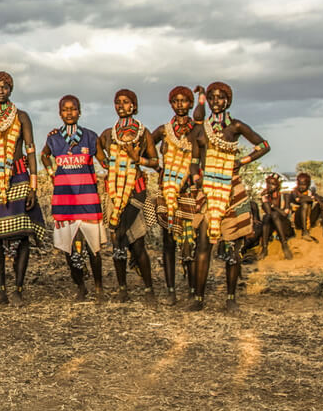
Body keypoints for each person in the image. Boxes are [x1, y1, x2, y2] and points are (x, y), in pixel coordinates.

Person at [189, 82, 270, 310]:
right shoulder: (200, 130)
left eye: (220, 98)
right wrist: (197, 180)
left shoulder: (235, 126)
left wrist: (240, 161)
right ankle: (199, 299)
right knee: (203, 246)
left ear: (228, 101)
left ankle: (231, 299)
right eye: (212, 97)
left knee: (234, 246)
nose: (216, 101)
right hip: (208, 190)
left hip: (232, 189)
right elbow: (194, 163)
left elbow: (263, 145)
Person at [0, 71, 46, 306]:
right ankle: (1, 290)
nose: (0, 91)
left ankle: (18, 288)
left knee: (22, 233)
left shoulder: (21, 117)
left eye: (4, 87)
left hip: (18, 176)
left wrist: (33, 186)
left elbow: (30, 149)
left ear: (10, 89)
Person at [95, 89, 158, 303]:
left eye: (126, 102)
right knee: (119, 239)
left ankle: (149, 290)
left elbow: (155, 162)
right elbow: (99, 151)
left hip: (135, 191)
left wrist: (136, 159)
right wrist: (107, 165)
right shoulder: (107, 134)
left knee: (127, 238)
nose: (121, 106)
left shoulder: (143, 132)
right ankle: (123, 288)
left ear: (134, 105)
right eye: (117, 102)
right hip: (114, 192)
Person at [42, 95, 104, 301]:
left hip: (88, 200)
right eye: (65, 109)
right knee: (70, 247)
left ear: (80, 111)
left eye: (73, 109)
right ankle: (80, 287)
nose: (69, 113)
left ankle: (98, 287)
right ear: (60, 113)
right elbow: (44, 155)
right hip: (64, 202)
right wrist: (53, 174)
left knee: (93, 246)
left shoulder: (90, 137)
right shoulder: (54, 138)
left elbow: (104, 161)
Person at [151, 86, 199, 304]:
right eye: (176, 101)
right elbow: (146, 151)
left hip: (190, 192)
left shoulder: (198, 130)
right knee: (169, 241)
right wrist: (158, 169)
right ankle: (171, 291)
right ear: (171, 104)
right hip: (167, 191)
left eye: (184, 101)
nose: (180, 105)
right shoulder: (163, 130)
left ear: (190, 103)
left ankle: (191, 290)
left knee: (190, 241)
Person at [257, 173, 295, 260]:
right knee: (267, 217)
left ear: (278, 186)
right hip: (271, 225)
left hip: (284, 225)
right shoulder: (266, 197)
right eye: (269, 183)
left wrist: (274, 206)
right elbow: (268, 212)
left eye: (273, 184)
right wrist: (264, 199)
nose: (270, 186)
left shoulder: (285, 196)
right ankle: (265, 248)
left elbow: (285, 214)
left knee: (274, 215)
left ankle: (285, 245)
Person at [287, 172, 323, 242]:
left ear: (308, 184)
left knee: (322, 205)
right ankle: (304, 232)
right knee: (305, 204)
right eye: (299, 184)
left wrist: (317, 199)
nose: (301, 187)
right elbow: (300, 200)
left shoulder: (309, 192)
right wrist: (313, 198)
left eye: (303, 184)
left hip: (309, 219)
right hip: (297, 221)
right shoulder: (294, 192)